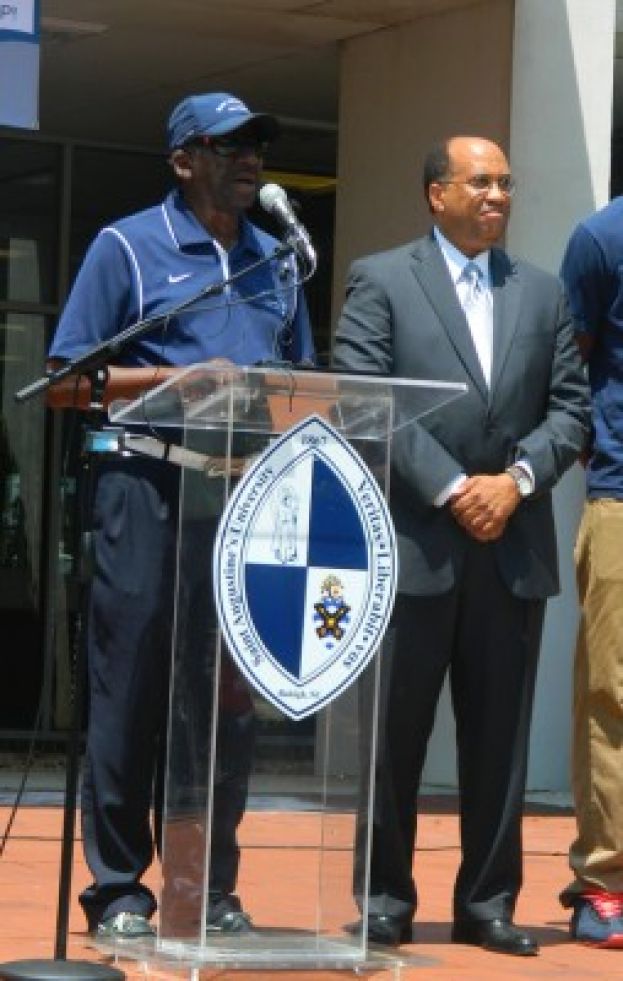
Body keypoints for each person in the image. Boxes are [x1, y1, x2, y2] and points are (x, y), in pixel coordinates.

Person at [47, 91, 314, 940]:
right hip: (148, 489)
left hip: (241, 501)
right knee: (130, 694)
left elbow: (300, 385)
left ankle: (208, 885)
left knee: (225, 706)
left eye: (257, 148)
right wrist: (173, 386)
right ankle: (119, 887)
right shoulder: (126, 246)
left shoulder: (279, 262)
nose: (249, 161)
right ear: (182, 160)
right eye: (228, 146)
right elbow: (62, 380)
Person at [332, 136, 590, 957]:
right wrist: (452, 486)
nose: (496, 196)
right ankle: (382, 897)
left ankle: (487, 901)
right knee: (393, 738)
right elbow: (363, 397)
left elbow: (571, 412)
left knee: (498, 742)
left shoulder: (542, 294)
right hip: (413, 542)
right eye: (479, 182)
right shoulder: (381, 279)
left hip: (511, 550)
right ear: (434, 192)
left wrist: (513, 481)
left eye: (505, 183)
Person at [558, 196, 623, 947]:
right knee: (610, 692)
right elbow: (567, 371)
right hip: (620, 496)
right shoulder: (602, 237)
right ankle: (605, 880)